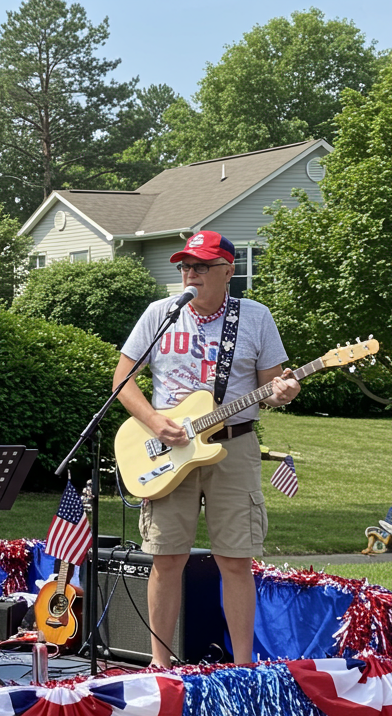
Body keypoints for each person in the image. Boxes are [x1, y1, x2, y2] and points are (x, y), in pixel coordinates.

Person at [113, 230, 299, 668]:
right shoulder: (161, 313)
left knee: (235, 560)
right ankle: (159, 665)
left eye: (200, 266)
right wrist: (155, 422)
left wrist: (284, 392)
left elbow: (272, 387)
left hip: (234, 446)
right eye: (185, 266)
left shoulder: (254, 317)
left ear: (228, 271)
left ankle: (243, 668)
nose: (190, 274)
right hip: (167, 451)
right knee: (166, 558)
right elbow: (123, 380)